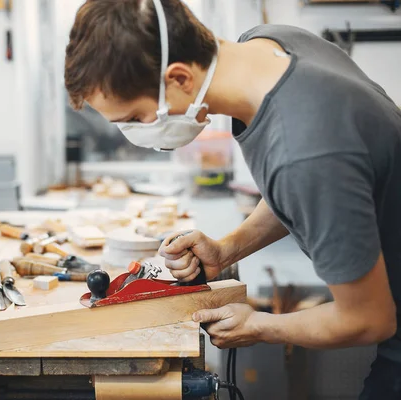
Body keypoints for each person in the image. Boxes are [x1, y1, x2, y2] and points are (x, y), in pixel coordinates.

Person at [63, 0, 401, 398]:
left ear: (179, 78)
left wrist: (260, 325)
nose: (137, 133)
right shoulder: (272, 46)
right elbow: (301, 189)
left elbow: (367, 319)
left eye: (136, 118)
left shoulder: (305, 149)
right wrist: (227, 249)